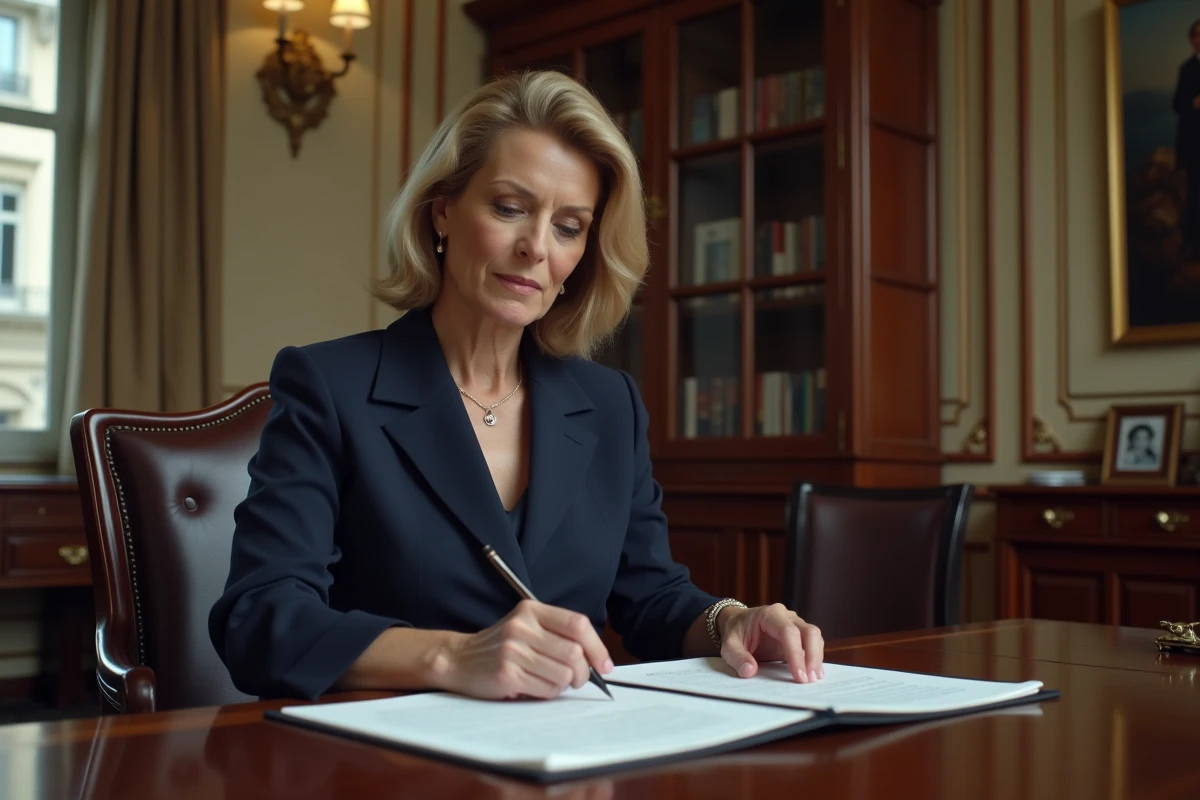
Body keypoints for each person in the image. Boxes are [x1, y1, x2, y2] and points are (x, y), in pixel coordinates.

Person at [208, 70, 824, 702]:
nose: (536, 247)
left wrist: (732, 621)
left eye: (569, 226)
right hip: (384, 764)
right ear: (443, 209)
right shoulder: (329, 385)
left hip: (565, 760)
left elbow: (652, 598)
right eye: (509, 208)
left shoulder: (611, 405)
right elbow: (261, 621)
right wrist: (452, 655)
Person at [1173, 19, 1200, 255]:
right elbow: (1177, 104)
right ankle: (1193, 241)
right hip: (1195, 143)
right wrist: (1194, 102)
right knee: (1195, 192)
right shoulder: (1186, 69)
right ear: (1191, 40)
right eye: (1197, 35)